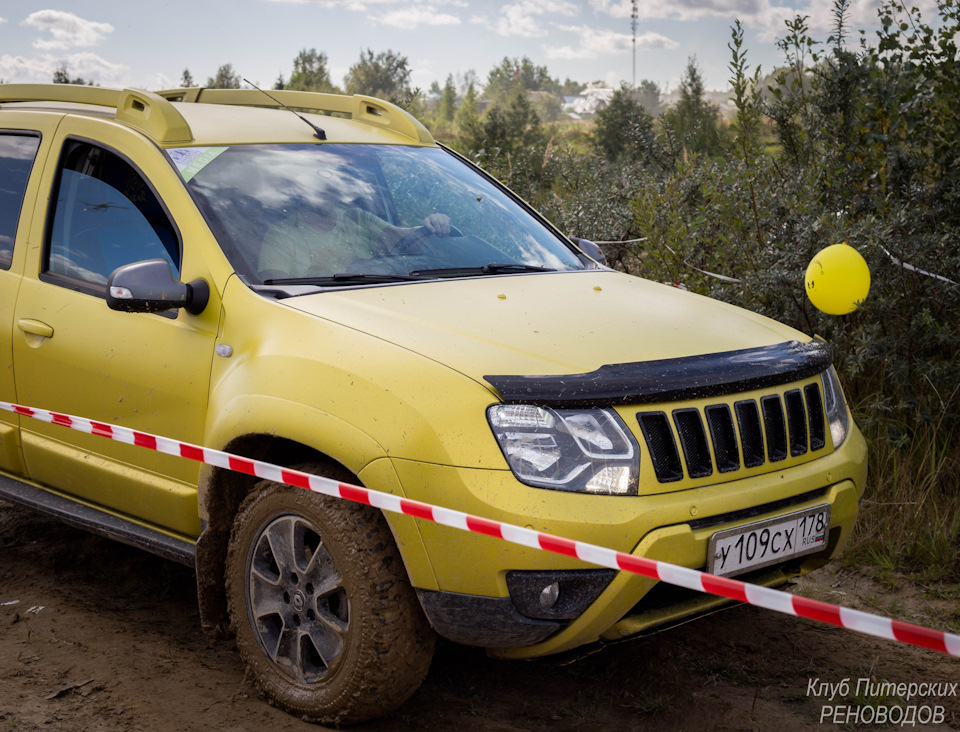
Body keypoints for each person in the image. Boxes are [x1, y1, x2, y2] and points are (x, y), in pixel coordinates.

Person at [257, 198, 450, 279]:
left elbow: (400, 237)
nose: (327, 192)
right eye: (318, 187)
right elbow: (275, 292)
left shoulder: (356, 218)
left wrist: (431, 225)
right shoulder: (282, 233)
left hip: (379, 298)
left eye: (331, 185)